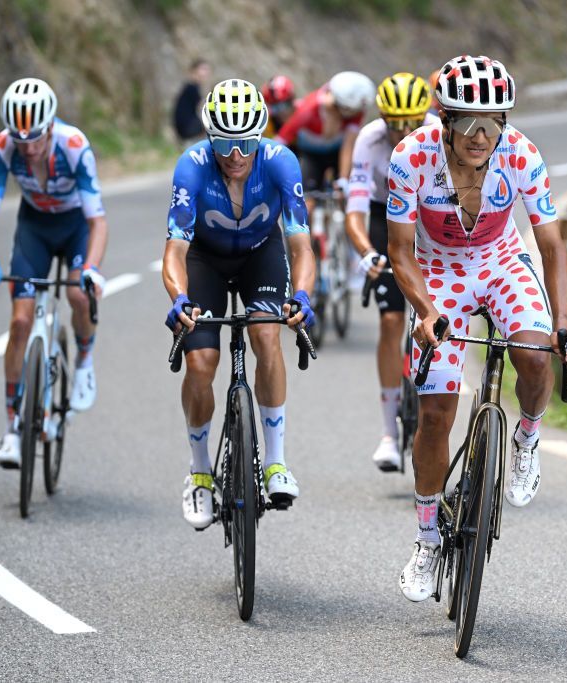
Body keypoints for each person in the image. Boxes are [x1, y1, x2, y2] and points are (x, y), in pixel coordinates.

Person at [386, 56, 567, 601]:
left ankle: (526, 438)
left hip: (500, 262)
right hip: (437, 272)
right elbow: (400, 253)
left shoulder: (521, 154)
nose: (482, 136)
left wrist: (563, 322)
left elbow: (550, 246)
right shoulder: (411, 157)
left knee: (535, 353)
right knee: (434, 412)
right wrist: (425, 312)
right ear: (445, 121)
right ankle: (427, 539)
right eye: (469, 123)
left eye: (493, 122)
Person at [162, 78, 316, 529]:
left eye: (245, 143)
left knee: (266, 334)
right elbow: (173, 253)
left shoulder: (280, 162)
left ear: (260, 135)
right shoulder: (190, 166)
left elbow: (301, 246)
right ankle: (200, 473)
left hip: (259, 256)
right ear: (211, 139)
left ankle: (276, 462)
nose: (235, 155)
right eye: (225, 144)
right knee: (202, 362)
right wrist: (179, 299)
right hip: (203, 259)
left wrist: (303, 296)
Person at [0, 77, 108, 468]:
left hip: (76, 227)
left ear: (51, 126)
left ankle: (84, 361)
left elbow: (97, 222)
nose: (28, 148)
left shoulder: (74, 146)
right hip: (34, 227)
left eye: (36, 138)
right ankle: (13, 429)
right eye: (21, 139)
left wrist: (93, 270)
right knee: (19, 322)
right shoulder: (4, 147)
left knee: (79, 295)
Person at [344, 72, 439, 471]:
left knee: (437, 316)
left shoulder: (437, 131)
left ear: (424, 116)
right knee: (389, 321)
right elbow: (356, 209)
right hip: (386, 216)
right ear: (383, 117)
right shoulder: (369, 138)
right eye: (394, 123)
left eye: (411, 122)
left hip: (428, 214)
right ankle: (388, 431)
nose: (403, 131)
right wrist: (366, 253)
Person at [274, 71, 375, 204]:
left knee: (345, 197)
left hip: (336, 153)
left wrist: (344, 179)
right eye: (352, 111)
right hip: (312, 155)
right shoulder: (310, 108)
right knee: (306, 200)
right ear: (341, 106)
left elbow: (348, 145)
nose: (355, 115)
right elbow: (280, 141)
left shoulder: (354, 110)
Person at [172, 58, 212, 143]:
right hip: (187, 129)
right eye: (203, 69)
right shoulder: (191, 88)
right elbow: (203, 108)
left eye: (207, 70)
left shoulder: (191, 87)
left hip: (187, 128)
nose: (206, 72)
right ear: (194, 71)